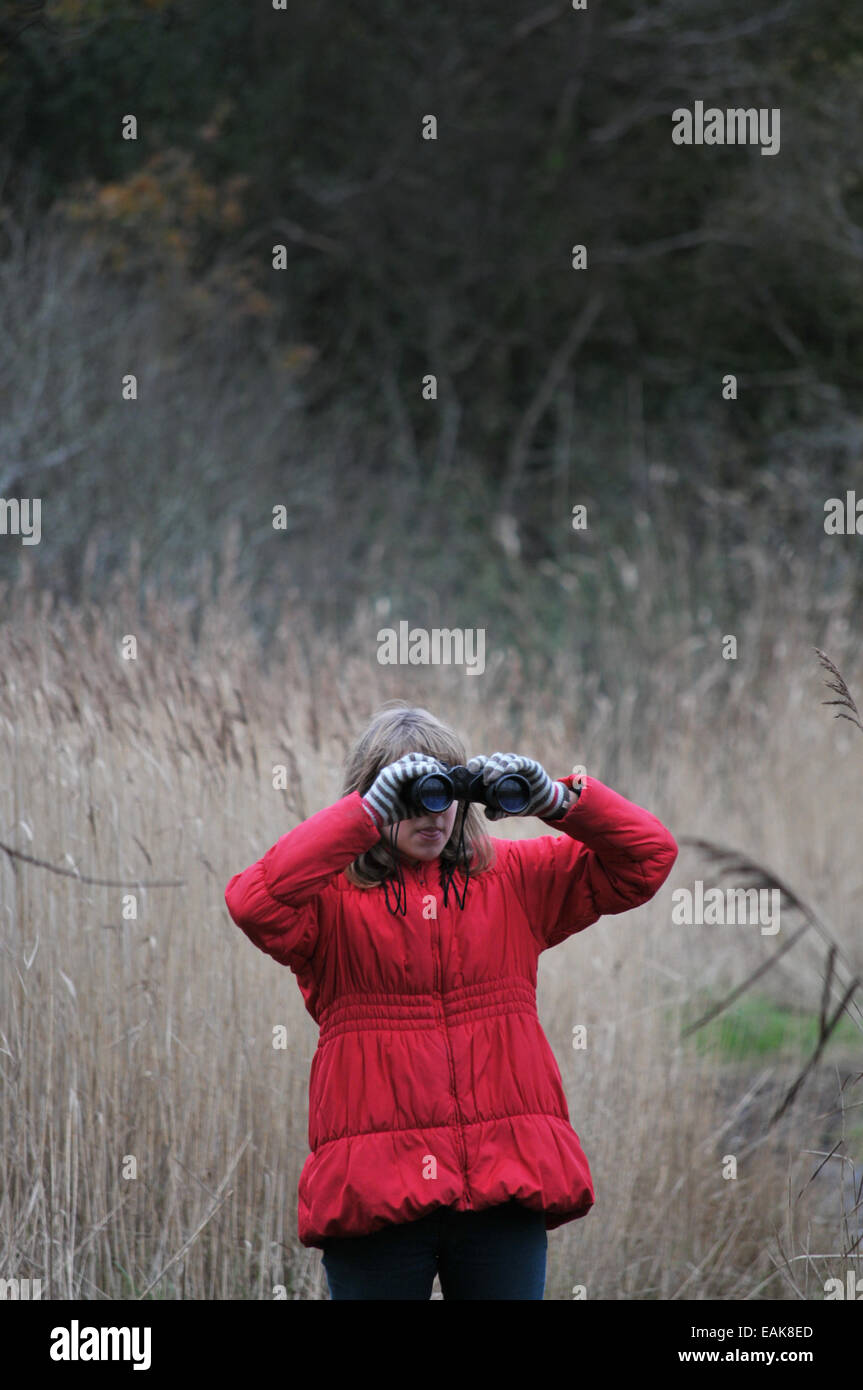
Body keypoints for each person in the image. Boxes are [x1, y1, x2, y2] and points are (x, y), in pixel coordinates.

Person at [225, 701, 678, 1300]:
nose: (430, 817)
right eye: (407, 797)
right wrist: (360, 817)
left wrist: (560, 802)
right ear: (373, 798)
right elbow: (252, 903)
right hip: (375, 1191)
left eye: (440, 794)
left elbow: (647, 858)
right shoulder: (326, 903)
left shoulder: (514, 879)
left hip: (504, 1183)